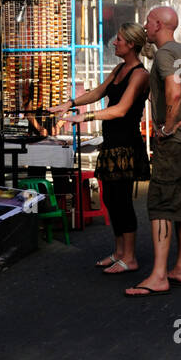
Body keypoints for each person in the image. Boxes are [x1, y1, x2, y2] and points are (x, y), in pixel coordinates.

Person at [51, 23, 150, 274]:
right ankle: (118, 252)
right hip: (112, 144)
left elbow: (121, 109)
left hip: (126, 146)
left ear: (130, 44)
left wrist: (84, 118)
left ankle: (130, 257)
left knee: (123, 201)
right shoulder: (119, 68)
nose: (114, 43)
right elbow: (97, 92)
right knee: (111, 199)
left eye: (118, 40)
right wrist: (70, 104)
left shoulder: (139, 74)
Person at [125, 6, 181, 298]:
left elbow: (175, 92)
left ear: (158, 24)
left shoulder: (165, 54)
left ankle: (158, 275)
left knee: (160, 205)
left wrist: (167, 127)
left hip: (175, 141)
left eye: (148, 21)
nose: (145, 25)